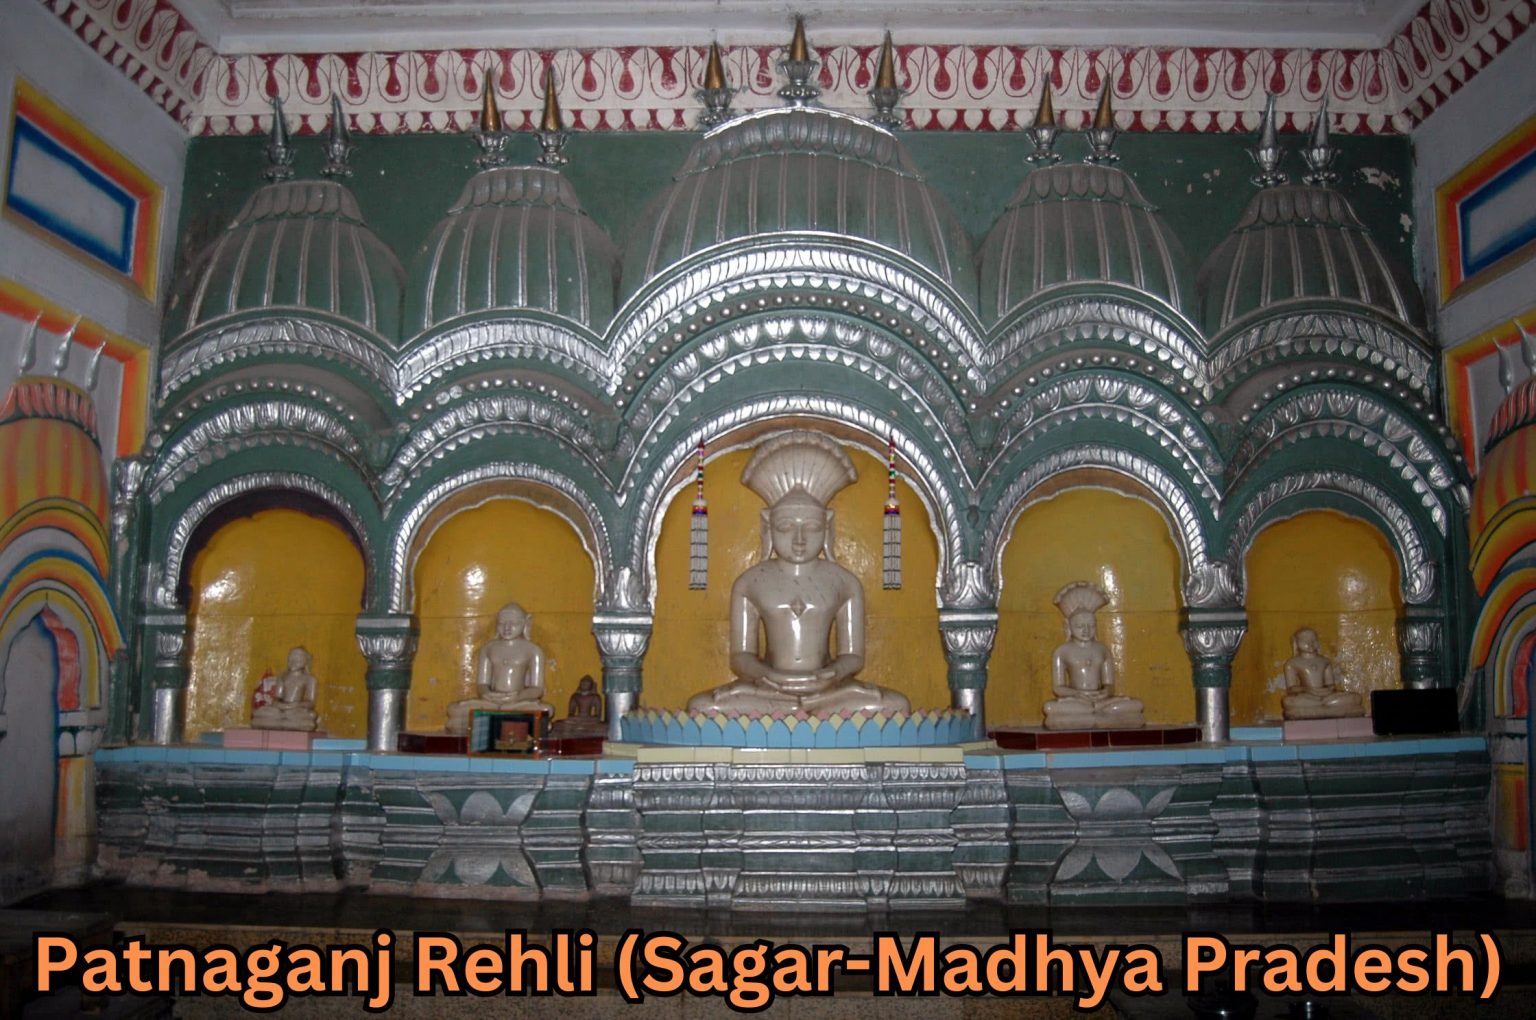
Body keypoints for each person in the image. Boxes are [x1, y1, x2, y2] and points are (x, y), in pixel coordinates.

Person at [687, 433, 910, 717]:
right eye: (785, 526)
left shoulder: (845, 583)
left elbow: (853, 656)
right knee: (704, 707)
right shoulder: (749, 583)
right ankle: (795, 707)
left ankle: (806, 707)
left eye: (812, 527)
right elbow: (741, 657)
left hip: (828, 691)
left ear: (828, 526)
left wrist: (832, 674)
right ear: (767, 526)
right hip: (768, 690)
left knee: (894, 705)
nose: (799, 539)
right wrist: (766, 675)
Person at [1042, 582, 1143, 730]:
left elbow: (1109, 685)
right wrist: (1078, 694)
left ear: (1096, 627)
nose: (1086, 630)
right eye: (1080, 626)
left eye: (1090, 626)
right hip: (1077, 701)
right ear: (1069, 627)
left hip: (1102, 701)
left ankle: (1092, 716)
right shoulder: (1062, 651)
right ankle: (1100, 717)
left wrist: (1105, 692)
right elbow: (1058, 688)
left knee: (1136, 705)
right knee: (1050, 708)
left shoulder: (1102, 649)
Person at [445, 602, 553, 734]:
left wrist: (518, 696)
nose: (507, 628)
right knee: (454, 709)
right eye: (502, 623)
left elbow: (537, 689)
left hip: (517, 703)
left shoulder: (533, 650)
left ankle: (492, 724)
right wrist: (486, 693)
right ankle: (509, 724)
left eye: (514, 623)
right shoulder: (488, 648)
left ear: (525, 623)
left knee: (546, 710)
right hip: (492, 703)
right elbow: (482, 684)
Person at [1281, 627, 1363, 719]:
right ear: (1296, 643)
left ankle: (1320, 708)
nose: (1310, 643)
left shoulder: (1325, 661)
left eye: (1313, 640)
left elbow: (1331, 686)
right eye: (1305, 640)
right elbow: (1291, 689)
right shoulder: (1292, 663)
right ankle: (1330, 709)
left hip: (1327, 697)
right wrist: (1308, 690)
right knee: (1289, 701)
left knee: (1356, 698)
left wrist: (1327, 690)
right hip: (1308, 697)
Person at [251, 647, 320, 731]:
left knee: (311, 716)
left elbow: (311, 702)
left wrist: (295, 705)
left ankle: (279, 722)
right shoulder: (282, 676)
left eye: (297, 658)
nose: (293, 661)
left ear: (305, 661)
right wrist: (281, 705)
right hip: (280, 710)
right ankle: (284, 722)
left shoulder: (309, 679)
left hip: (296, 710)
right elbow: (277, 698)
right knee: (258, 713)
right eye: (291, 658)